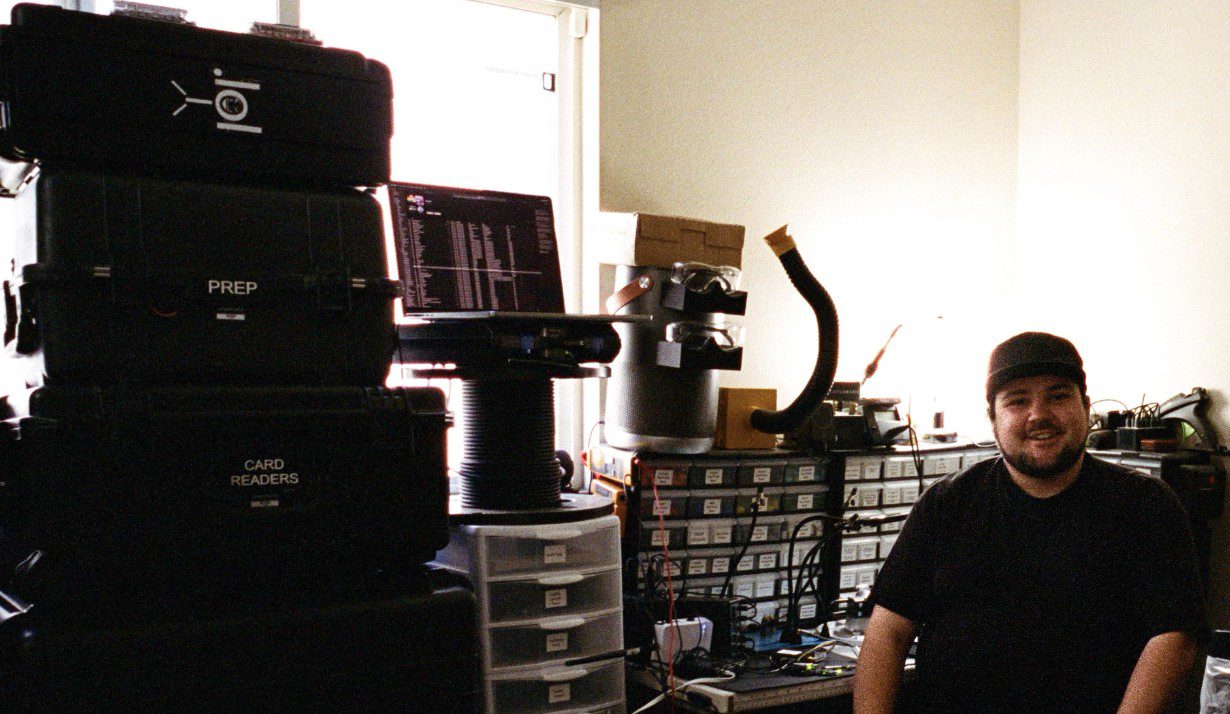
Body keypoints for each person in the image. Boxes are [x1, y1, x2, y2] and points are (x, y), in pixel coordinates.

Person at [852, 331, 1207, 713]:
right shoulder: (947, 505)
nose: (1038, 415)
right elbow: (887, 634)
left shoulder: (1145, 506)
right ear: (993, 419)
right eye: (1017, 401)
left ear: (1085, 406)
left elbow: (1173, 639)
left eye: (1058, 395)